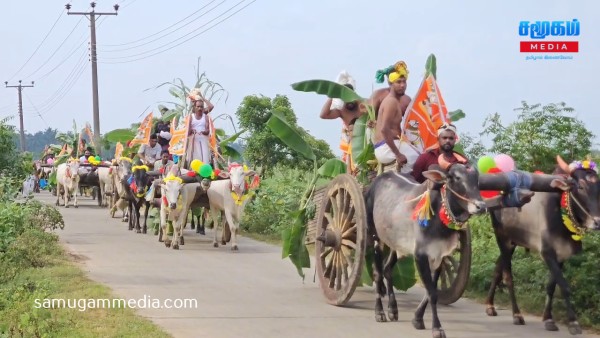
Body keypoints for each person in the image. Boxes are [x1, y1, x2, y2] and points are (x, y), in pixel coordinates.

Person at [372, 61, 419, 173]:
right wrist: (398, 154)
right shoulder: (391, 102)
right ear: (390, 84)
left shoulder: (396, 101)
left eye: (404, 81)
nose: (402, 85)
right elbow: (384, 130)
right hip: (385, 148)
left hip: (391, 145)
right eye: (398, 82)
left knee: (419, 151)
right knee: (418, 158)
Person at [319, 70, 365, 170]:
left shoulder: (363, 105)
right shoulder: (342, 110)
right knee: (350, 168)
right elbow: (323, 115)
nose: (348, 101)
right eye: (345, 98)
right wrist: (331, 96)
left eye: (350, 97)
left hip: (366, 142)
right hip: (351, 144)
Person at [187, 94, 214, 167]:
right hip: (193, 141)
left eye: (201, 107)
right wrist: (192, 131)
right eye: (198, 106)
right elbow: (187, 132)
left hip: (204, 141)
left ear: (203, 108)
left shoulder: (205, 117)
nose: (199, 108)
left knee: (205, 158)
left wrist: (202, 98)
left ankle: (205, 173)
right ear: (194, 107)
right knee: (194, 159)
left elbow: (207, 131)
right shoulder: (191, 117)